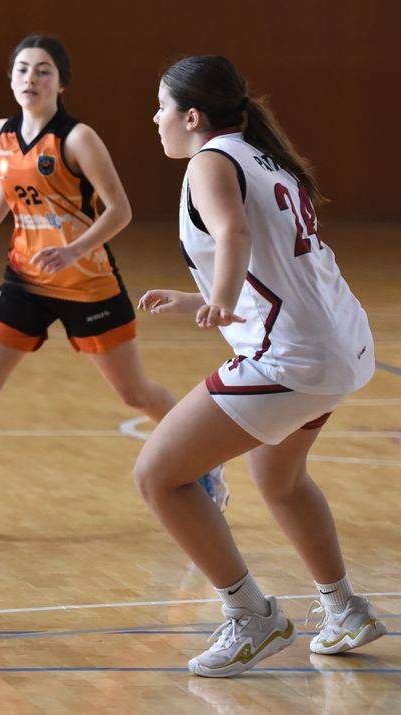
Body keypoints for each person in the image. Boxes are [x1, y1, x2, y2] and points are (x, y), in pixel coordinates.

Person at [0, 35, 227, 535]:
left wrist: (73, 249)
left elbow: (120, 210)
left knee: (134, 394)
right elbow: (9, 178)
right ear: (11, 78)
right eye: (22, 69)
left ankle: (205, 463)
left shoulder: (78, 138)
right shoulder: (0, 132)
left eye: (43, 71)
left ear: (61, 82)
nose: (30, 79)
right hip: (25, 277)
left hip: (88, 283)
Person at [136, 55, 386, 677]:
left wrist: (219, 298)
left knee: (159, 475)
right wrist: (201, 295)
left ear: (192, 117)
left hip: (295, 358)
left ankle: (251, 614)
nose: (155, 118)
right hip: (342, 346)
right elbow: (275, 264)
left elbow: (235, 235)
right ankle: (344, 607)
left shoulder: (209, 161)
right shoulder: (262, 157)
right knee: (278, 478)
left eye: (163, 107)